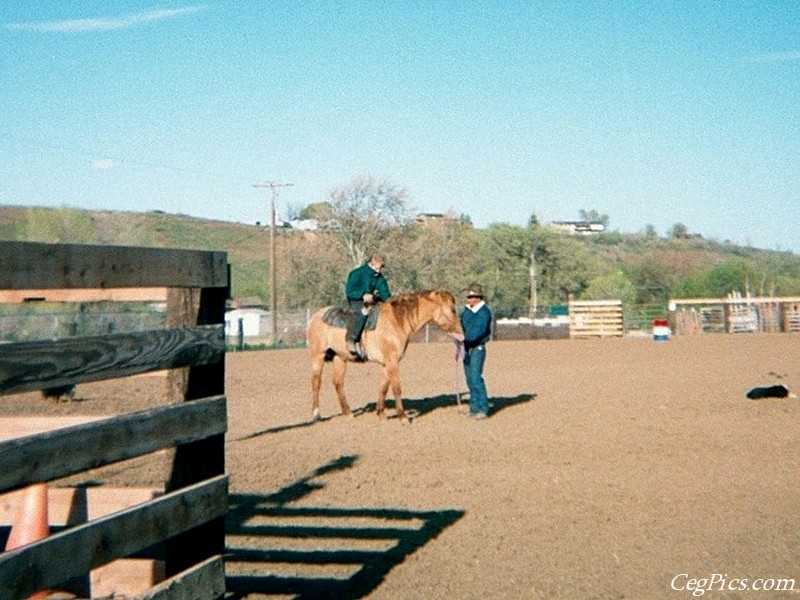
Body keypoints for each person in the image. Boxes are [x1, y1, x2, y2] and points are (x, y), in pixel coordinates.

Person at [345, 253, 391, 357]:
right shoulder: (356, 273)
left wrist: (390, 301)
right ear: (372, 263)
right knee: (364, 311)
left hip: (373, 302)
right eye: (378, 267)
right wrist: (362, 295)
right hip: (356, 301)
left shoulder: (379, 277)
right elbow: (349, 292)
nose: (379, 270)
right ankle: (352, 339)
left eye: (381, 268)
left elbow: (385, 294)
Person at [459, 282, 492, 419]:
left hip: (477, 347)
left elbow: (478, 332)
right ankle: (474, 407)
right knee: (469, 379)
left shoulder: (484, 312)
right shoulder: (466, 312)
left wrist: (463, 338)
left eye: (472, 297)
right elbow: (461, 326)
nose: (469, 300)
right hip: (466, 348)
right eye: (468, 297)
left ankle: (482, 408)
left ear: (479, 298)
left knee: (475, 377)